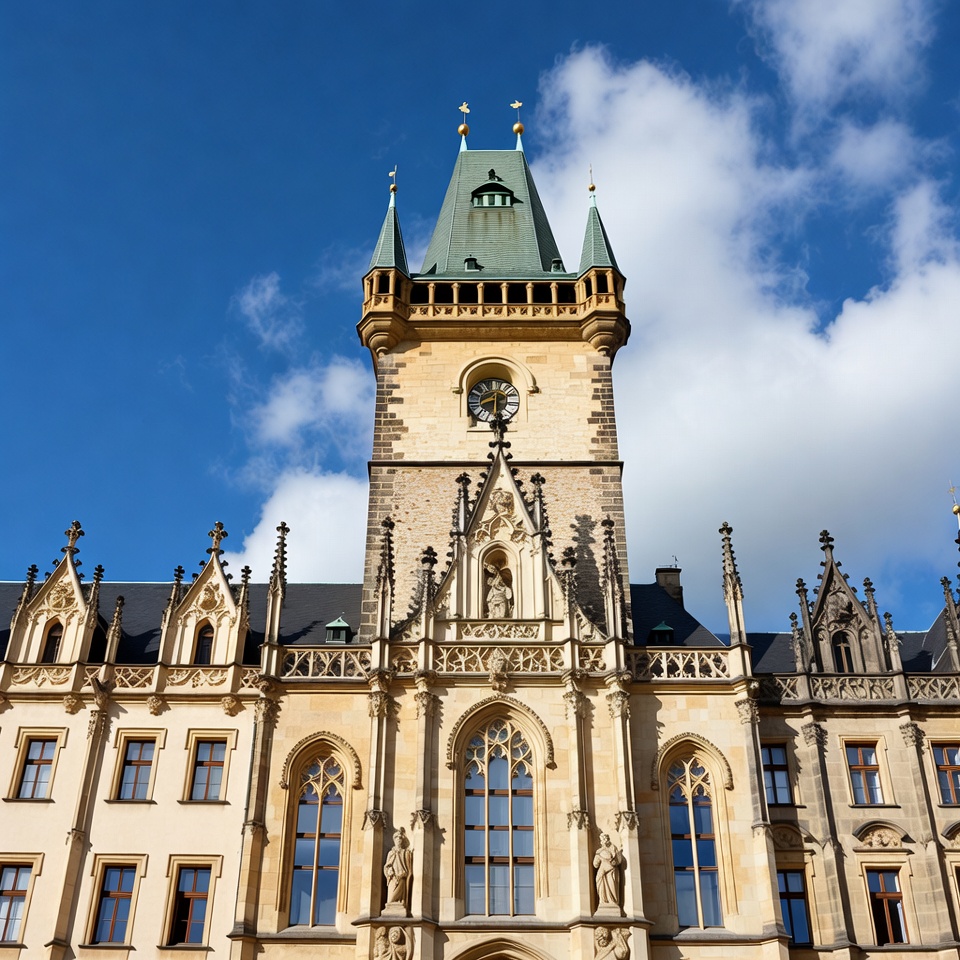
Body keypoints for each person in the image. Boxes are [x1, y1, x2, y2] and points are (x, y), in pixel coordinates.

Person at [384, 828, 413, 910]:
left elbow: (408, 867)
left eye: (400, 838)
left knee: (400, 897)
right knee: (391, 898)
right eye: (397, 838)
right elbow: (387, 865)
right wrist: (390, 871)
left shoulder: (405, 852)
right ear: (394, 840)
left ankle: (401, 904)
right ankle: (390, 906)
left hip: (402, 876)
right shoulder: (391, 852)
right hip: (393, 877)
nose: (399, 840)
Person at [593, 832, 623, 906]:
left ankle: (612, 901)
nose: (603, 841)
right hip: (603, 871)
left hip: (611, 871)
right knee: (600, 881)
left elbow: (618, 860)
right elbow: (595, 865)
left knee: (611, 884)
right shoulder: (599, 851)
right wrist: (598, 857)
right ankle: (604, 900)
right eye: (602, 839)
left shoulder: (614, 848)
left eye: (604, 839)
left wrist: (613, 861)